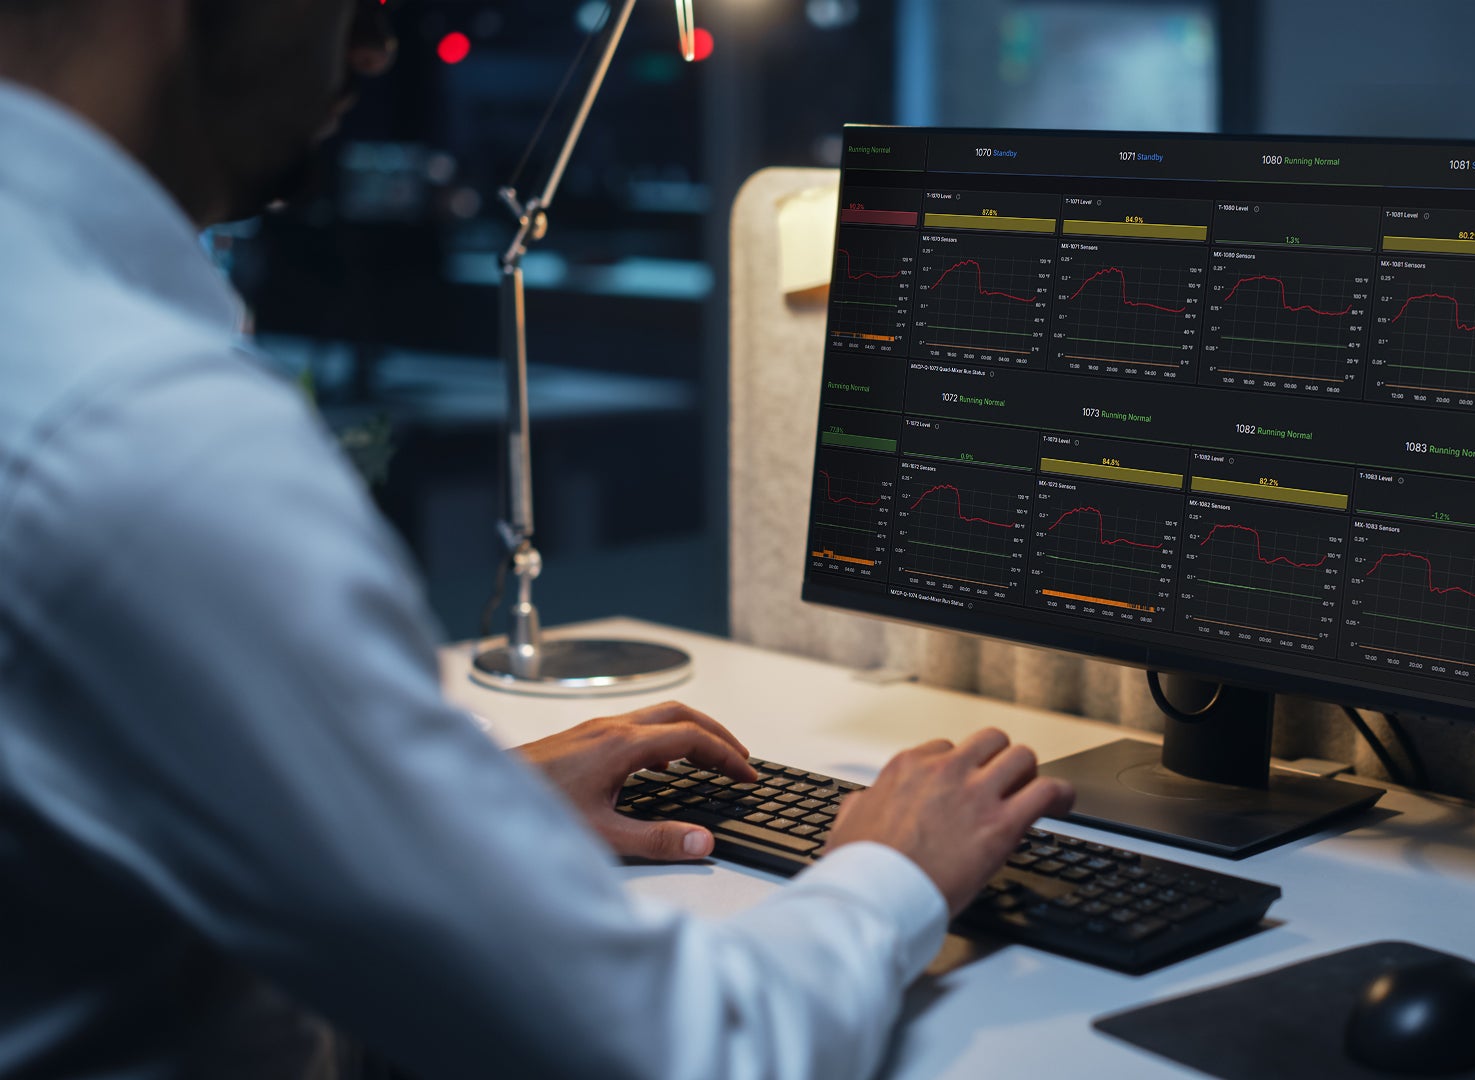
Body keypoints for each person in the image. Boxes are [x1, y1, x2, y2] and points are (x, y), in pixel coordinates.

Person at [0, 2, 1074, 1077]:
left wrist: (445, 821)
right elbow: (679, 1055)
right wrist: (891, 872)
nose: (378, 49)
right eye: (356, 5)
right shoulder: (145, 440)